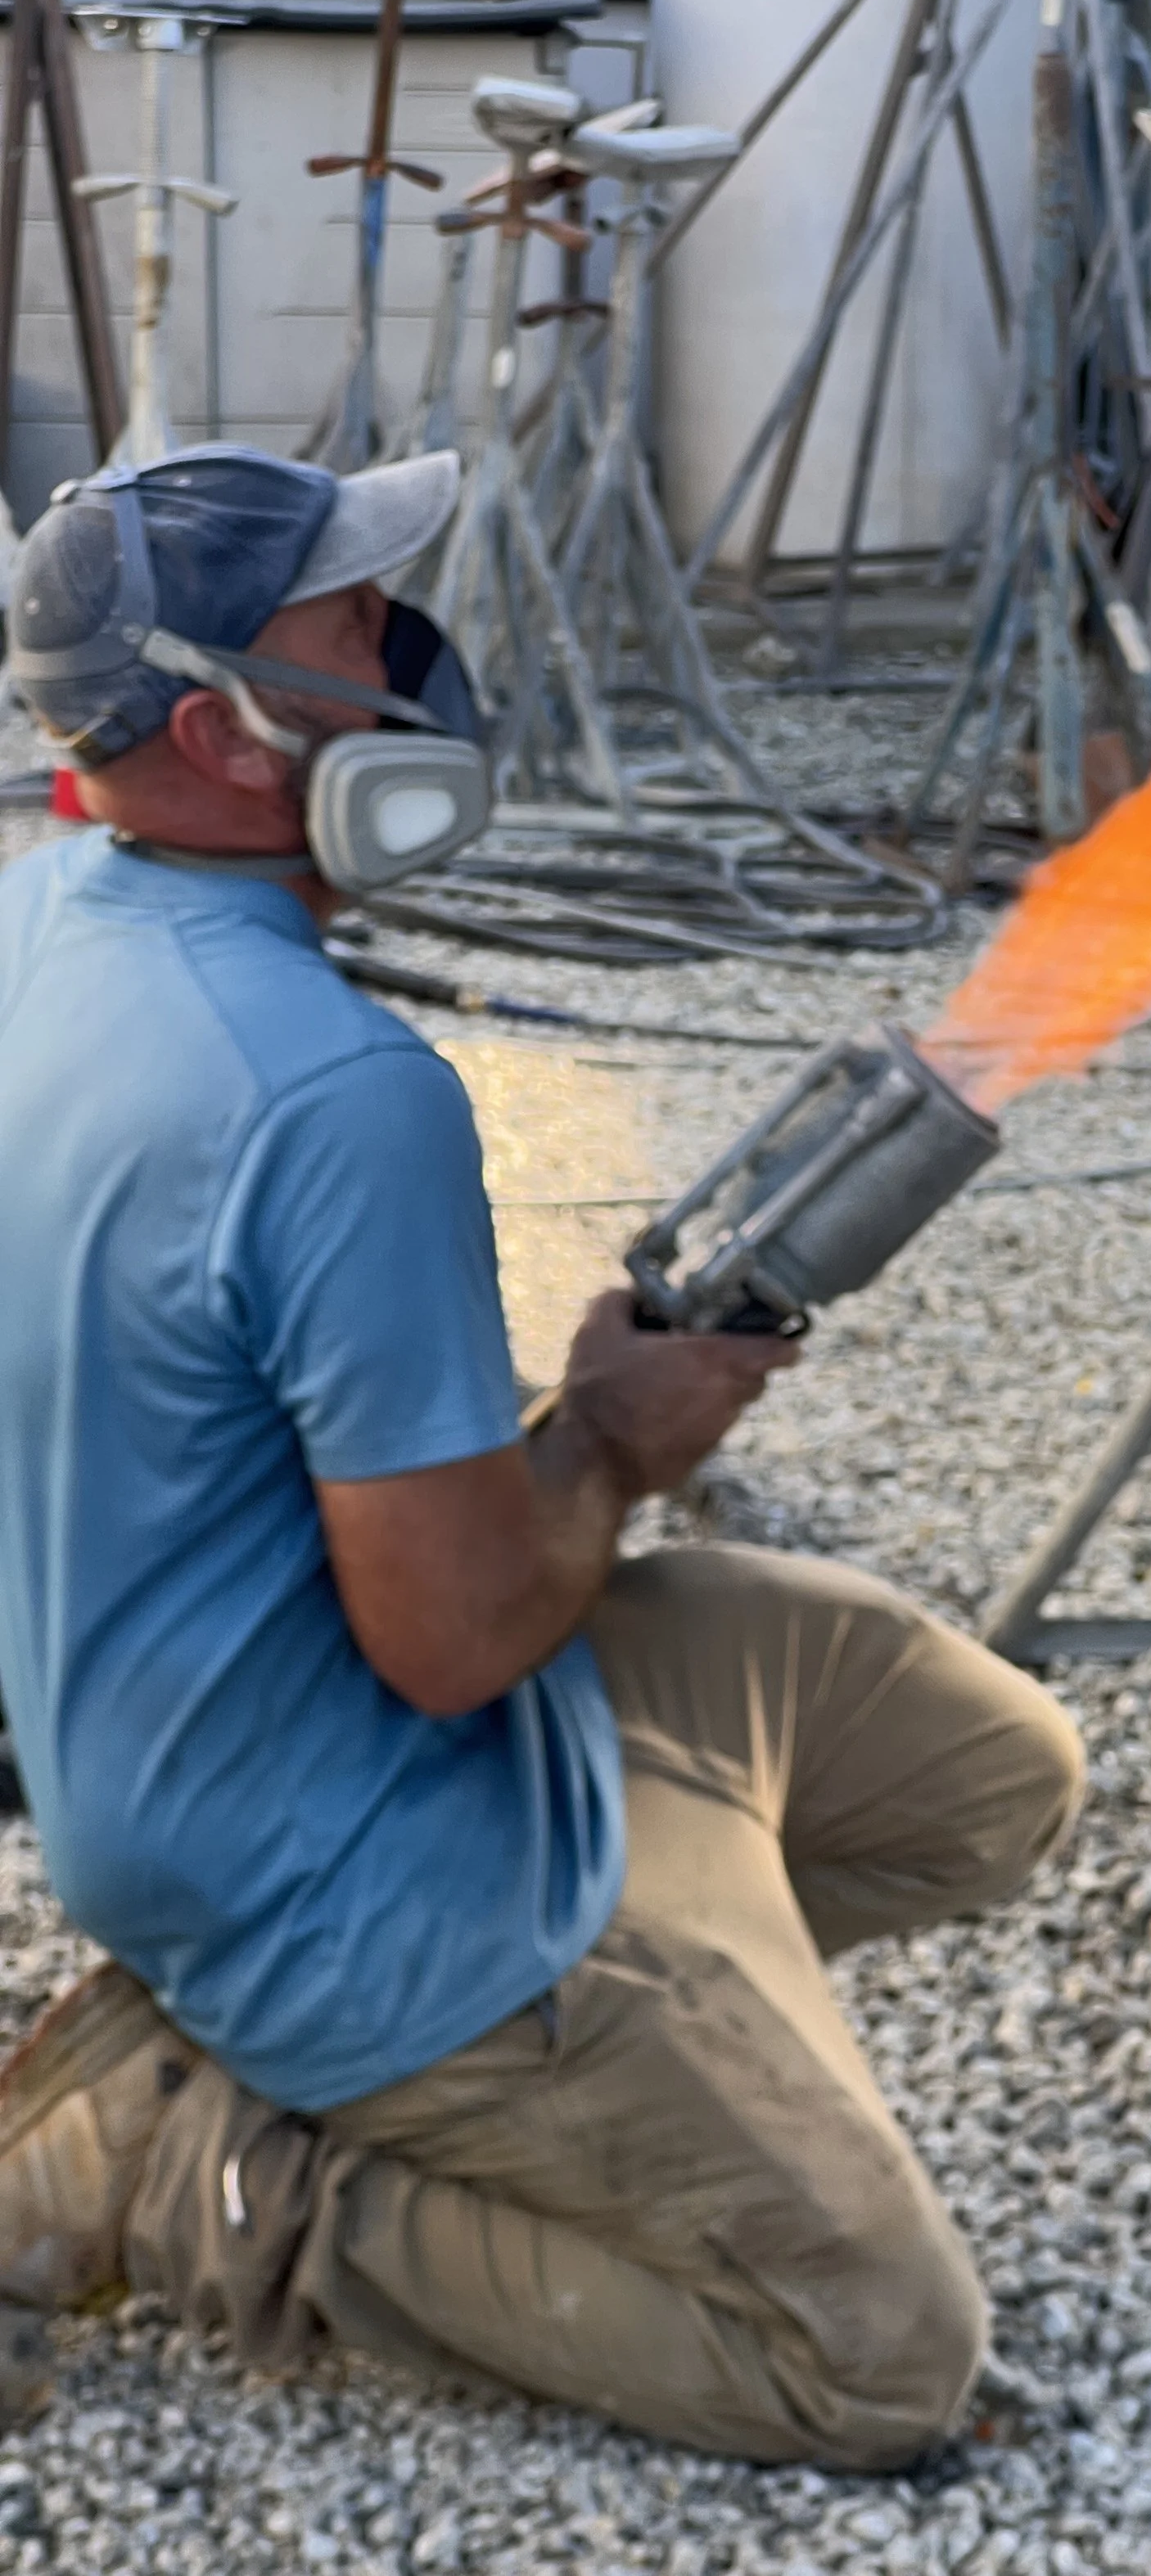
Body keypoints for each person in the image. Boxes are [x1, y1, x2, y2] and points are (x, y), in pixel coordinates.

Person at [0, 446, 1083, 2465]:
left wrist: (558, 1459)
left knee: (987, 1777)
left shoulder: (46, 915)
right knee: (879, 2358)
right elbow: (454, 1638)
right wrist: (606, 1433)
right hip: (320, 1859)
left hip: (238, 1742)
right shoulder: (331, 1098)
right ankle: (206, 2151)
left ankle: (630, 2018)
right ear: (232, 729)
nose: (407, 657)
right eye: (349, 627)